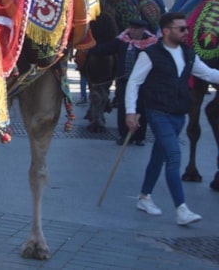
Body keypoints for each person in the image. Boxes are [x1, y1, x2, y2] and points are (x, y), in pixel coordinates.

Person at [126, 12, 219, 225]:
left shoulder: (188, 54)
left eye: (186, 28)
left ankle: (144, 197)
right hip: (158, 113)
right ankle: (182, 209)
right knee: (174, 156)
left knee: (158, 156)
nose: (186, 32)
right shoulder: (150, 54)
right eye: (181, 29)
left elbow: (208, 74)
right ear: (167, 31)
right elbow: (134, 82)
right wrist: (130, 112)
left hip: (178, 114)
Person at [92, 18, 157, 146]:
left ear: (143, 30)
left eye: (137, 29)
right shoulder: (122, 40)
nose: (133, 31)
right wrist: (90, 49)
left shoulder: (152, 43)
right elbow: (107, 48)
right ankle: (124, 135)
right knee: (123, 108)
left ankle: (139, 136)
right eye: (132, 28)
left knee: (141, 108)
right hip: (124, 80)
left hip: (143, 83)